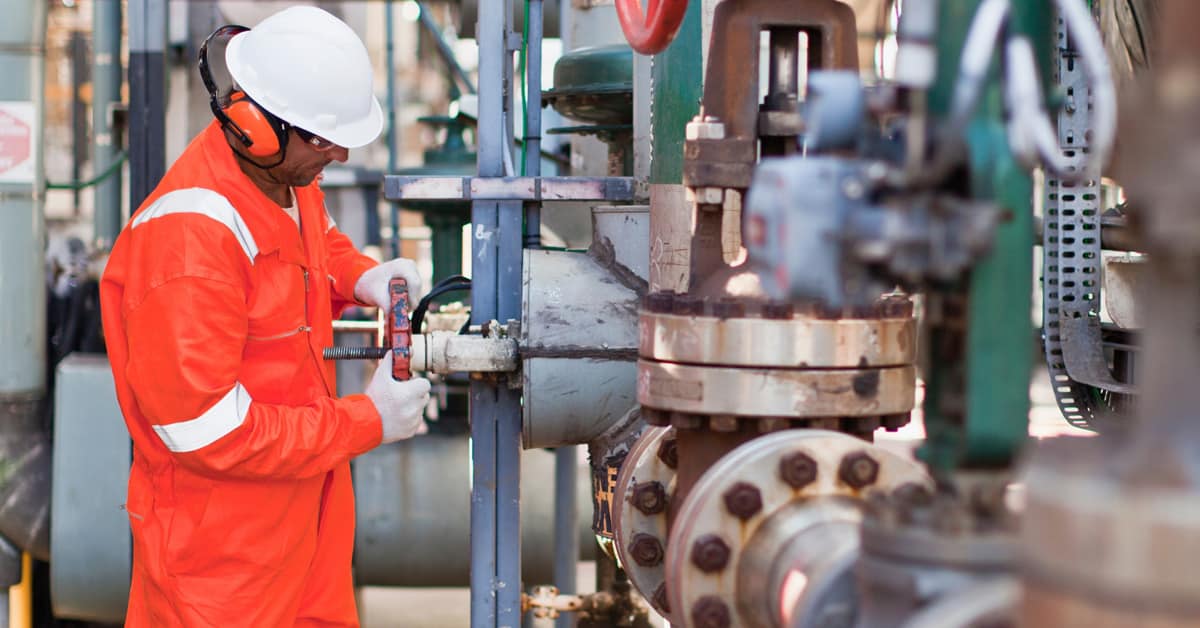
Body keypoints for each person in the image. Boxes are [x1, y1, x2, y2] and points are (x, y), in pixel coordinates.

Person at [98, 7, 430, 626]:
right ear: (255, 123)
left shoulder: (285, 173)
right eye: (322, 139)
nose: (334, 153)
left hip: (303, 528)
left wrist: (361, 276)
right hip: (220, 571)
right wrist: (367, 420)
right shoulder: (189, 245)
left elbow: (315, 237)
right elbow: (210, 433)